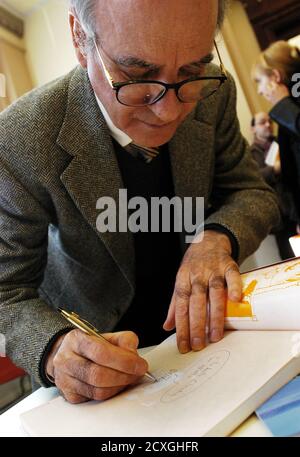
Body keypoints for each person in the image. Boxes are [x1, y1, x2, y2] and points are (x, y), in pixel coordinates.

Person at [0, 0, 280, 404]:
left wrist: (214, 240)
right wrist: (54, 349)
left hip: (212, 340)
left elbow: (249, 191)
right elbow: (6, 291)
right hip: (99, 364)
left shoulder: (215, 92)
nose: (168, 112)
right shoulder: (21, 140)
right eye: (138, 75)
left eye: (191, 71)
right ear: (80, 38)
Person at [253, 40, 300, 237]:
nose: (260, 91)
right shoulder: (288, 109)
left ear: (275, 76)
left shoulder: (289, 108)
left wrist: (282, 103)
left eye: (259, 82)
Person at [250, 112, 295, 259]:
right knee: (288, 257)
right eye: (262, 122)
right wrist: (275, 169)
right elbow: (253, 178)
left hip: (295, 204)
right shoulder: (249, 153)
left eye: (270, 121)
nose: (268, 125)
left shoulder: (282, 142)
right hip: (278, 215)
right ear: (253, 129)